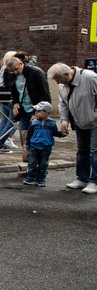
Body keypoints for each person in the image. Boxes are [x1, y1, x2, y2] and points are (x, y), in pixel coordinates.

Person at [48, 63, 97, 193]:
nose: (59, 83)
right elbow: (63, 103)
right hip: (79, 122)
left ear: (66, 74)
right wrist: (64, 121)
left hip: (95, 121)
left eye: (59, 79)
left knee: (94, 151)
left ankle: (94, 181)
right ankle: (82, 178)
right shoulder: (63, 85)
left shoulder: (89, 78)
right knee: (82, 150)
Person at [7, 55, 51, 158]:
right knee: (25, 140)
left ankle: (36, 166)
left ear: (22, 63)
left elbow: (44, 94)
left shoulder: (35, 72)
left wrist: (39, 113)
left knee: (36, 139)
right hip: (24, 110)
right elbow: (15, 92)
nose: (15, 72)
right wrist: (16, 103)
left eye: (16, 69)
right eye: (12, 71)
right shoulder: (13, 75)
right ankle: (28, 165)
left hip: (36, 109)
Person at [22, 101, 64, 187]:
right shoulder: (34, 123)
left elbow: (54, 133)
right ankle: (30, 178)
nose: (36, 113)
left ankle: (41, 179)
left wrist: (62, 134)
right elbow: (29, 135)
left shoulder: (51, 123)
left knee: (43, 164)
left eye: (39, 111)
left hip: (46, 147)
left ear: (46, 113)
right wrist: (27, 146)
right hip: (34, 146)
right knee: (32, 163)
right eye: (36, 111)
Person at [0, 51, 20, 153]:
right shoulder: (9, 70)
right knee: (12, 121)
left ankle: (1, 139)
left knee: (5, 120)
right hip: (8, 97)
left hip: (2, 96)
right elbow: (11, 84)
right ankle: (3, 141)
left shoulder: (3, 69)